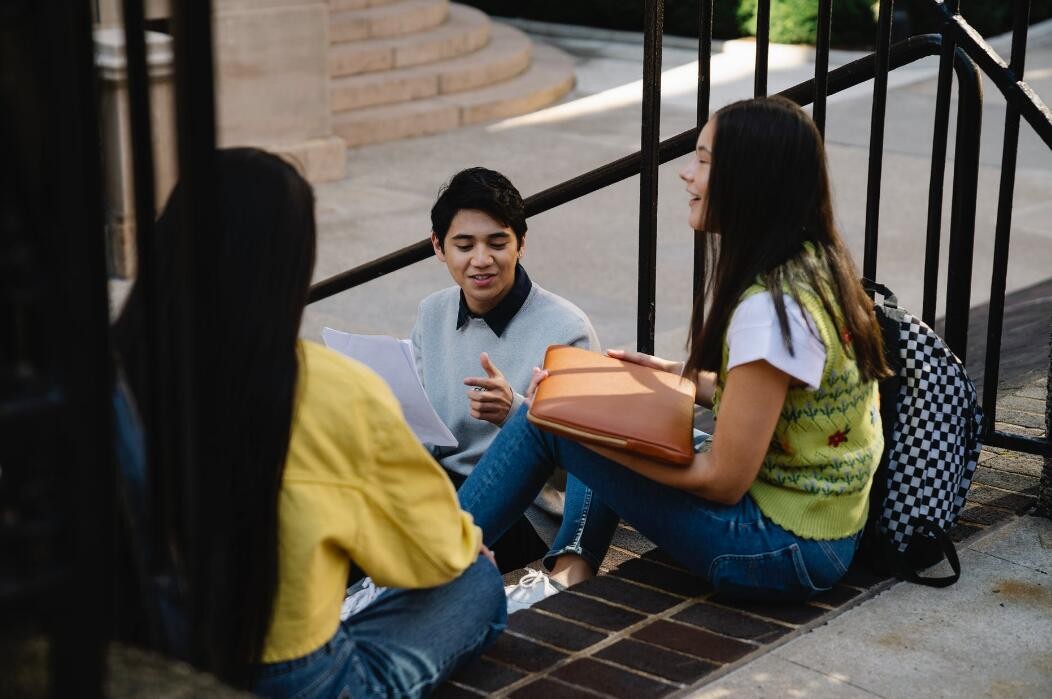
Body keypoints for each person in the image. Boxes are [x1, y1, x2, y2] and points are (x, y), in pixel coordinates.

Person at [456, 97, 892, 601]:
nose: (686, 174)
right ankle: (562, 573)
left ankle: (411, 580)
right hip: (818, 525)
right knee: (588, 415)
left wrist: (604, 444)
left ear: (750, 178)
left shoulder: (770, 310)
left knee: (547, 421)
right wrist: (667, 375)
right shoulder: (813, 262)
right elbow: (773, 399)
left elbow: (723, 480)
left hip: (779, 549)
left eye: (704, 160)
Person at [113, 148, 505, 697]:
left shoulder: (105, 376)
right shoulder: (330, 387)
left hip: (137, 653)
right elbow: (435, 553)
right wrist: (464, 544)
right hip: (291, 677)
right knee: (476, 579)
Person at [410, 168, 619, 606]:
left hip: (526, 512)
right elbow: (427, 431)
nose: (481, 259)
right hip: (439, 487)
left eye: (498, 243)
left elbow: (587, 464)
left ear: (521, 243)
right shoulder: (432, 313)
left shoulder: (566, 327)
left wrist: (515, 413)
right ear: (438, 247)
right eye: (464, 246)